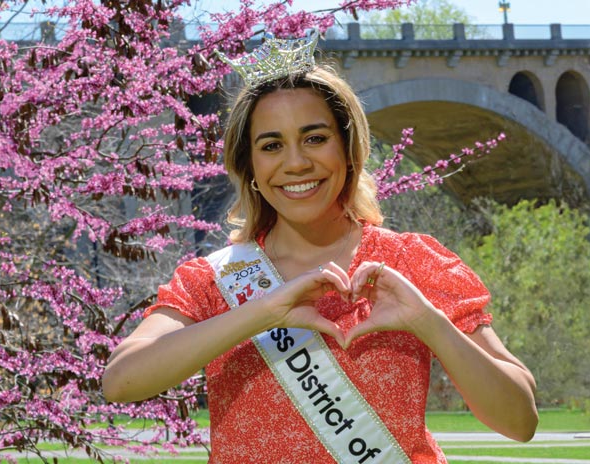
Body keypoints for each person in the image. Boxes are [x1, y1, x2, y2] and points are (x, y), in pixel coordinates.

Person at [102, 31, 538, 463]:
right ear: (249, 165)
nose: (296, 163)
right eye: (271, 145)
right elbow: (121, 382)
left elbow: (520, 421)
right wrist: (262, 313)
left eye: (315, 138)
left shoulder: (411, 262)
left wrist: (428, 323)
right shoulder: (216, 280)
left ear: (349, 150)